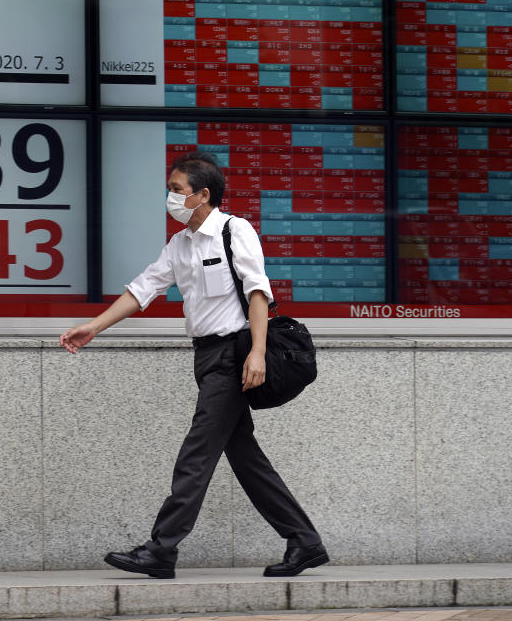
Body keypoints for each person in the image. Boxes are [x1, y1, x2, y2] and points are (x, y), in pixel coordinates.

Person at [59, 151, 327, 579]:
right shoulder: (180, 244)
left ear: (203, 194)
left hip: (234, 356)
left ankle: (161, 549)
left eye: (177, 189)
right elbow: (143, 288)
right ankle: (305, 542)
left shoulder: (234, 230)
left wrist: (257, 352)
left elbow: (258, 293)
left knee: (196, 454)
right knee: (245, 458)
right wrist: (95, 326)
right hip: (206, 357)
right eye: (170, 188)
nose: (170, 196)